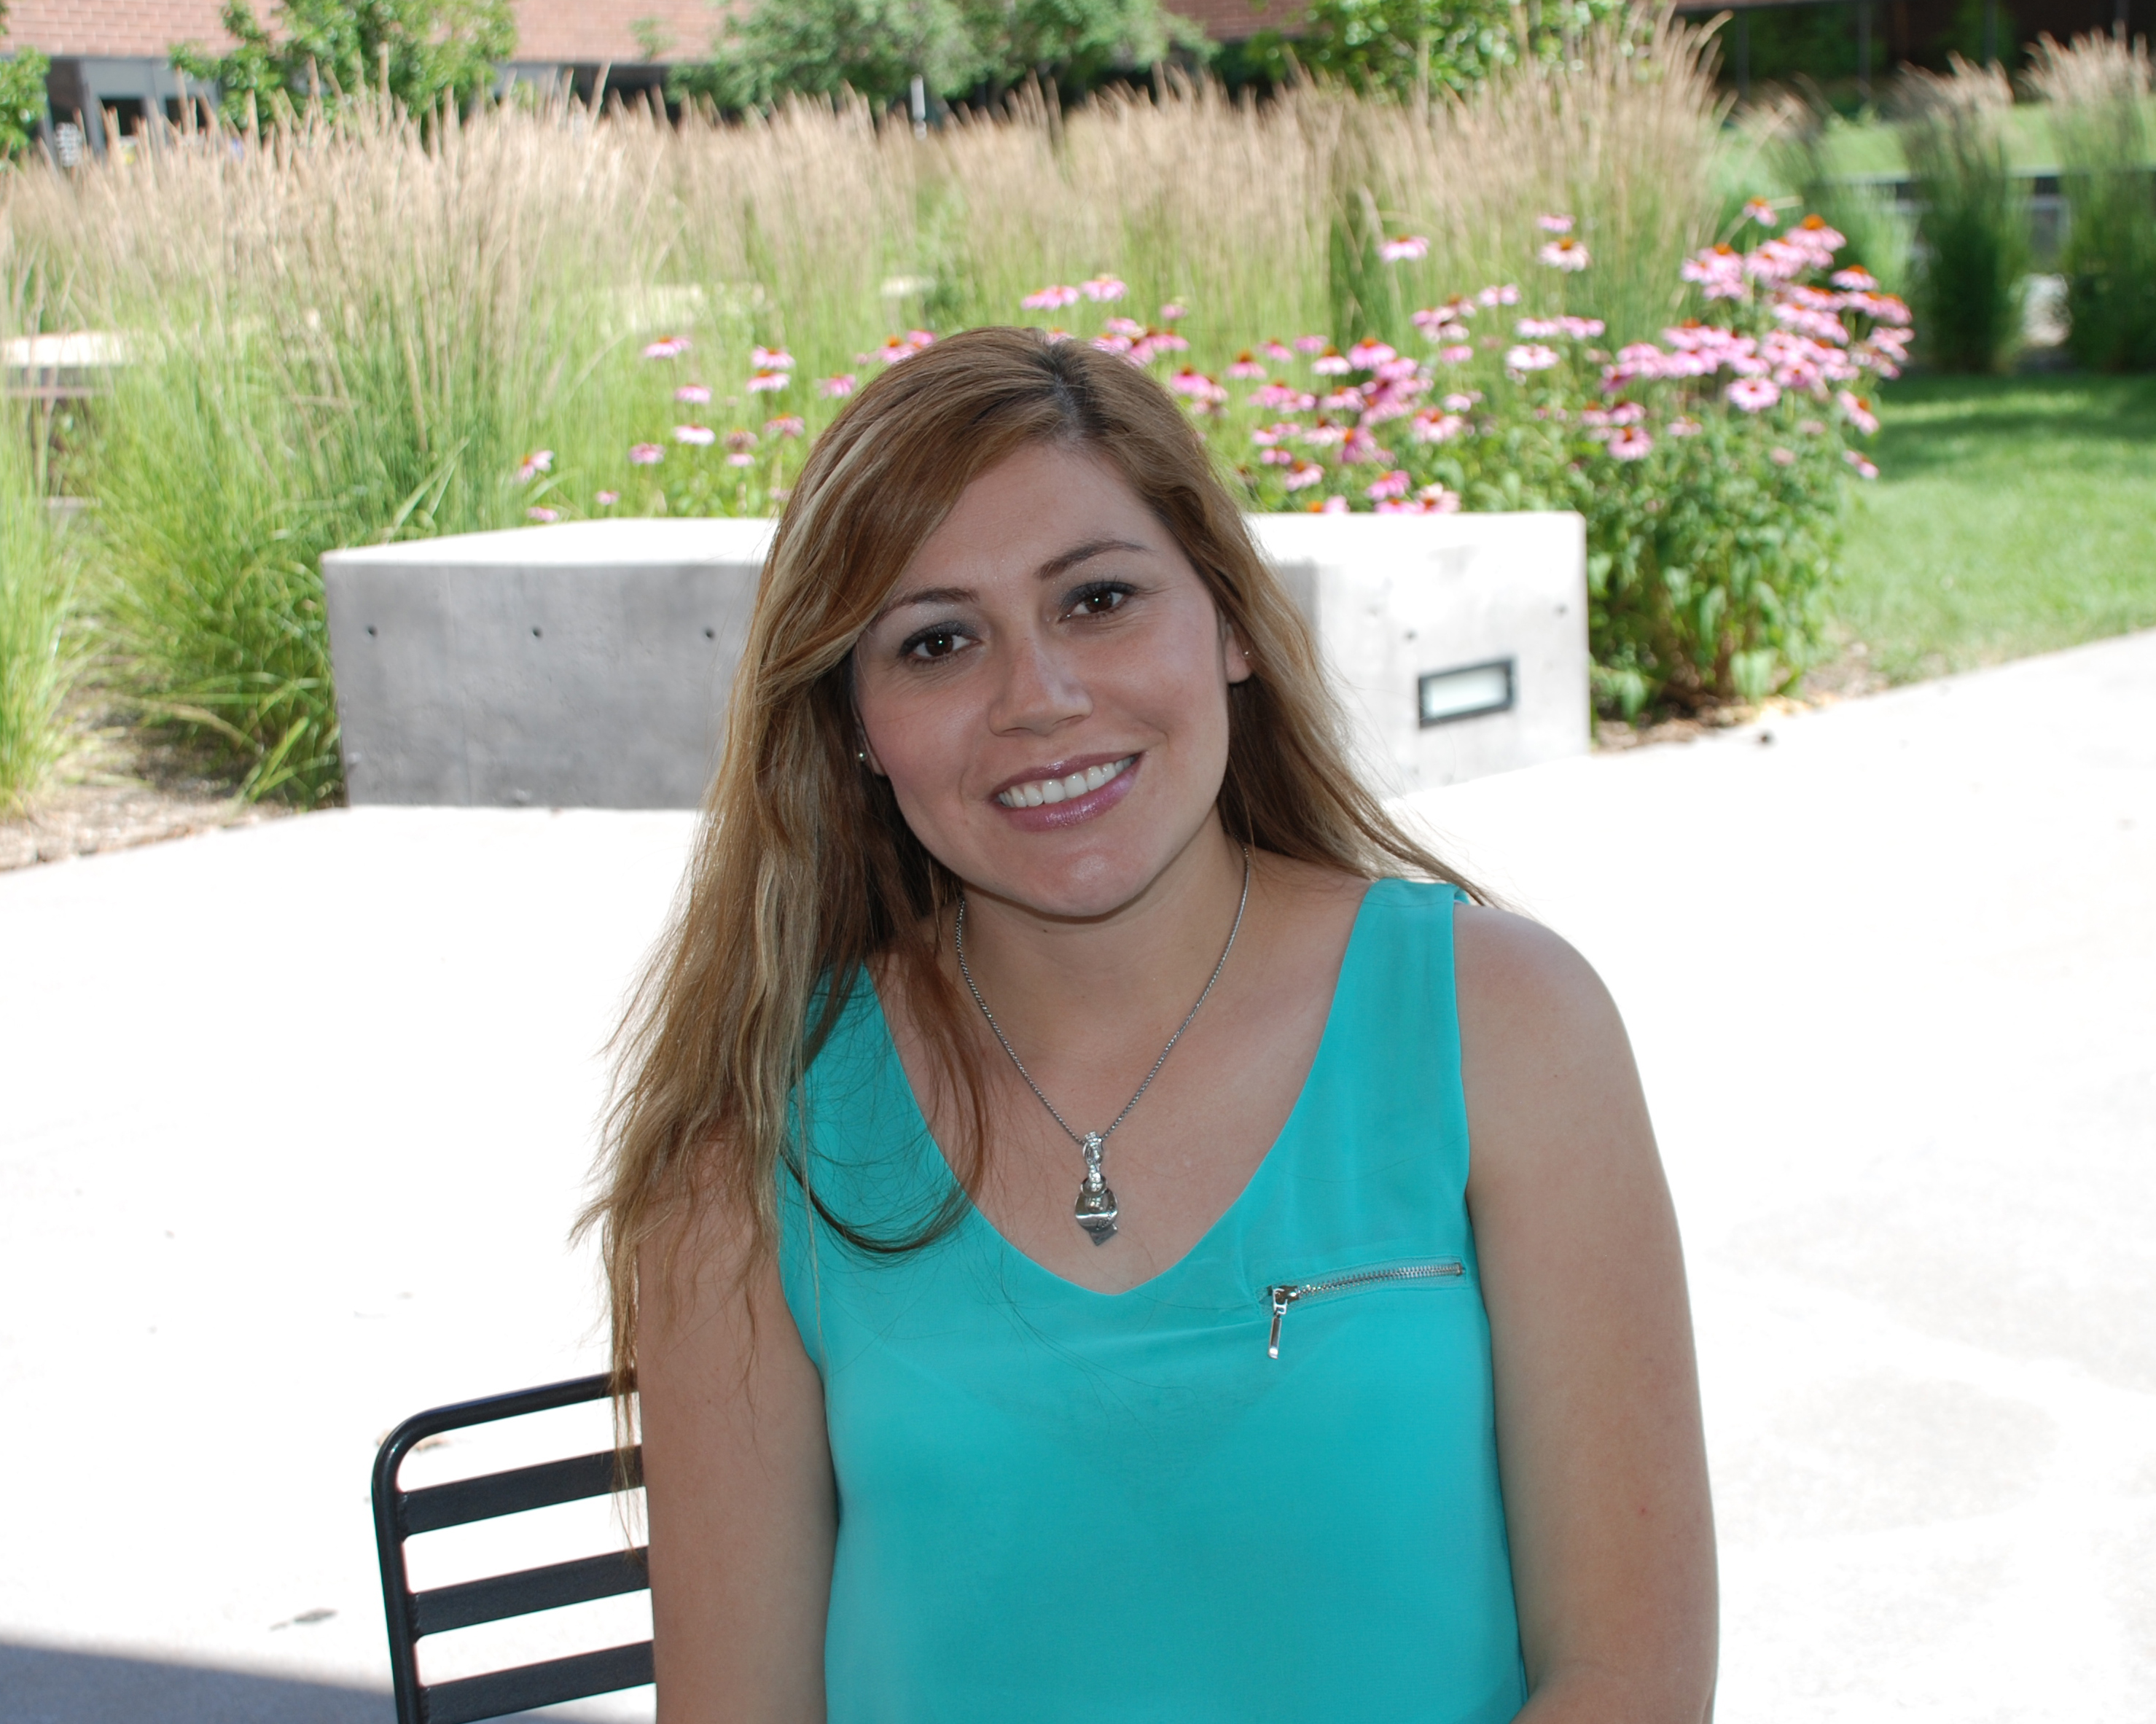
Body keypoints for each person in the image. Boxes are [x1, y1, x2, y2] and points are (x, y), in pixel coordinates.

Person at [584, 327, 1716, 1723]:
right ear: (857, 728)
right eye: (937, 641)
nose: (1038, 698)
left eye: (1100, 598)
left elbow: (1629, 1675)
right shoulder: (750, 1153)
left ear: (1232, 622)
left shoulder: (1509, 1028)